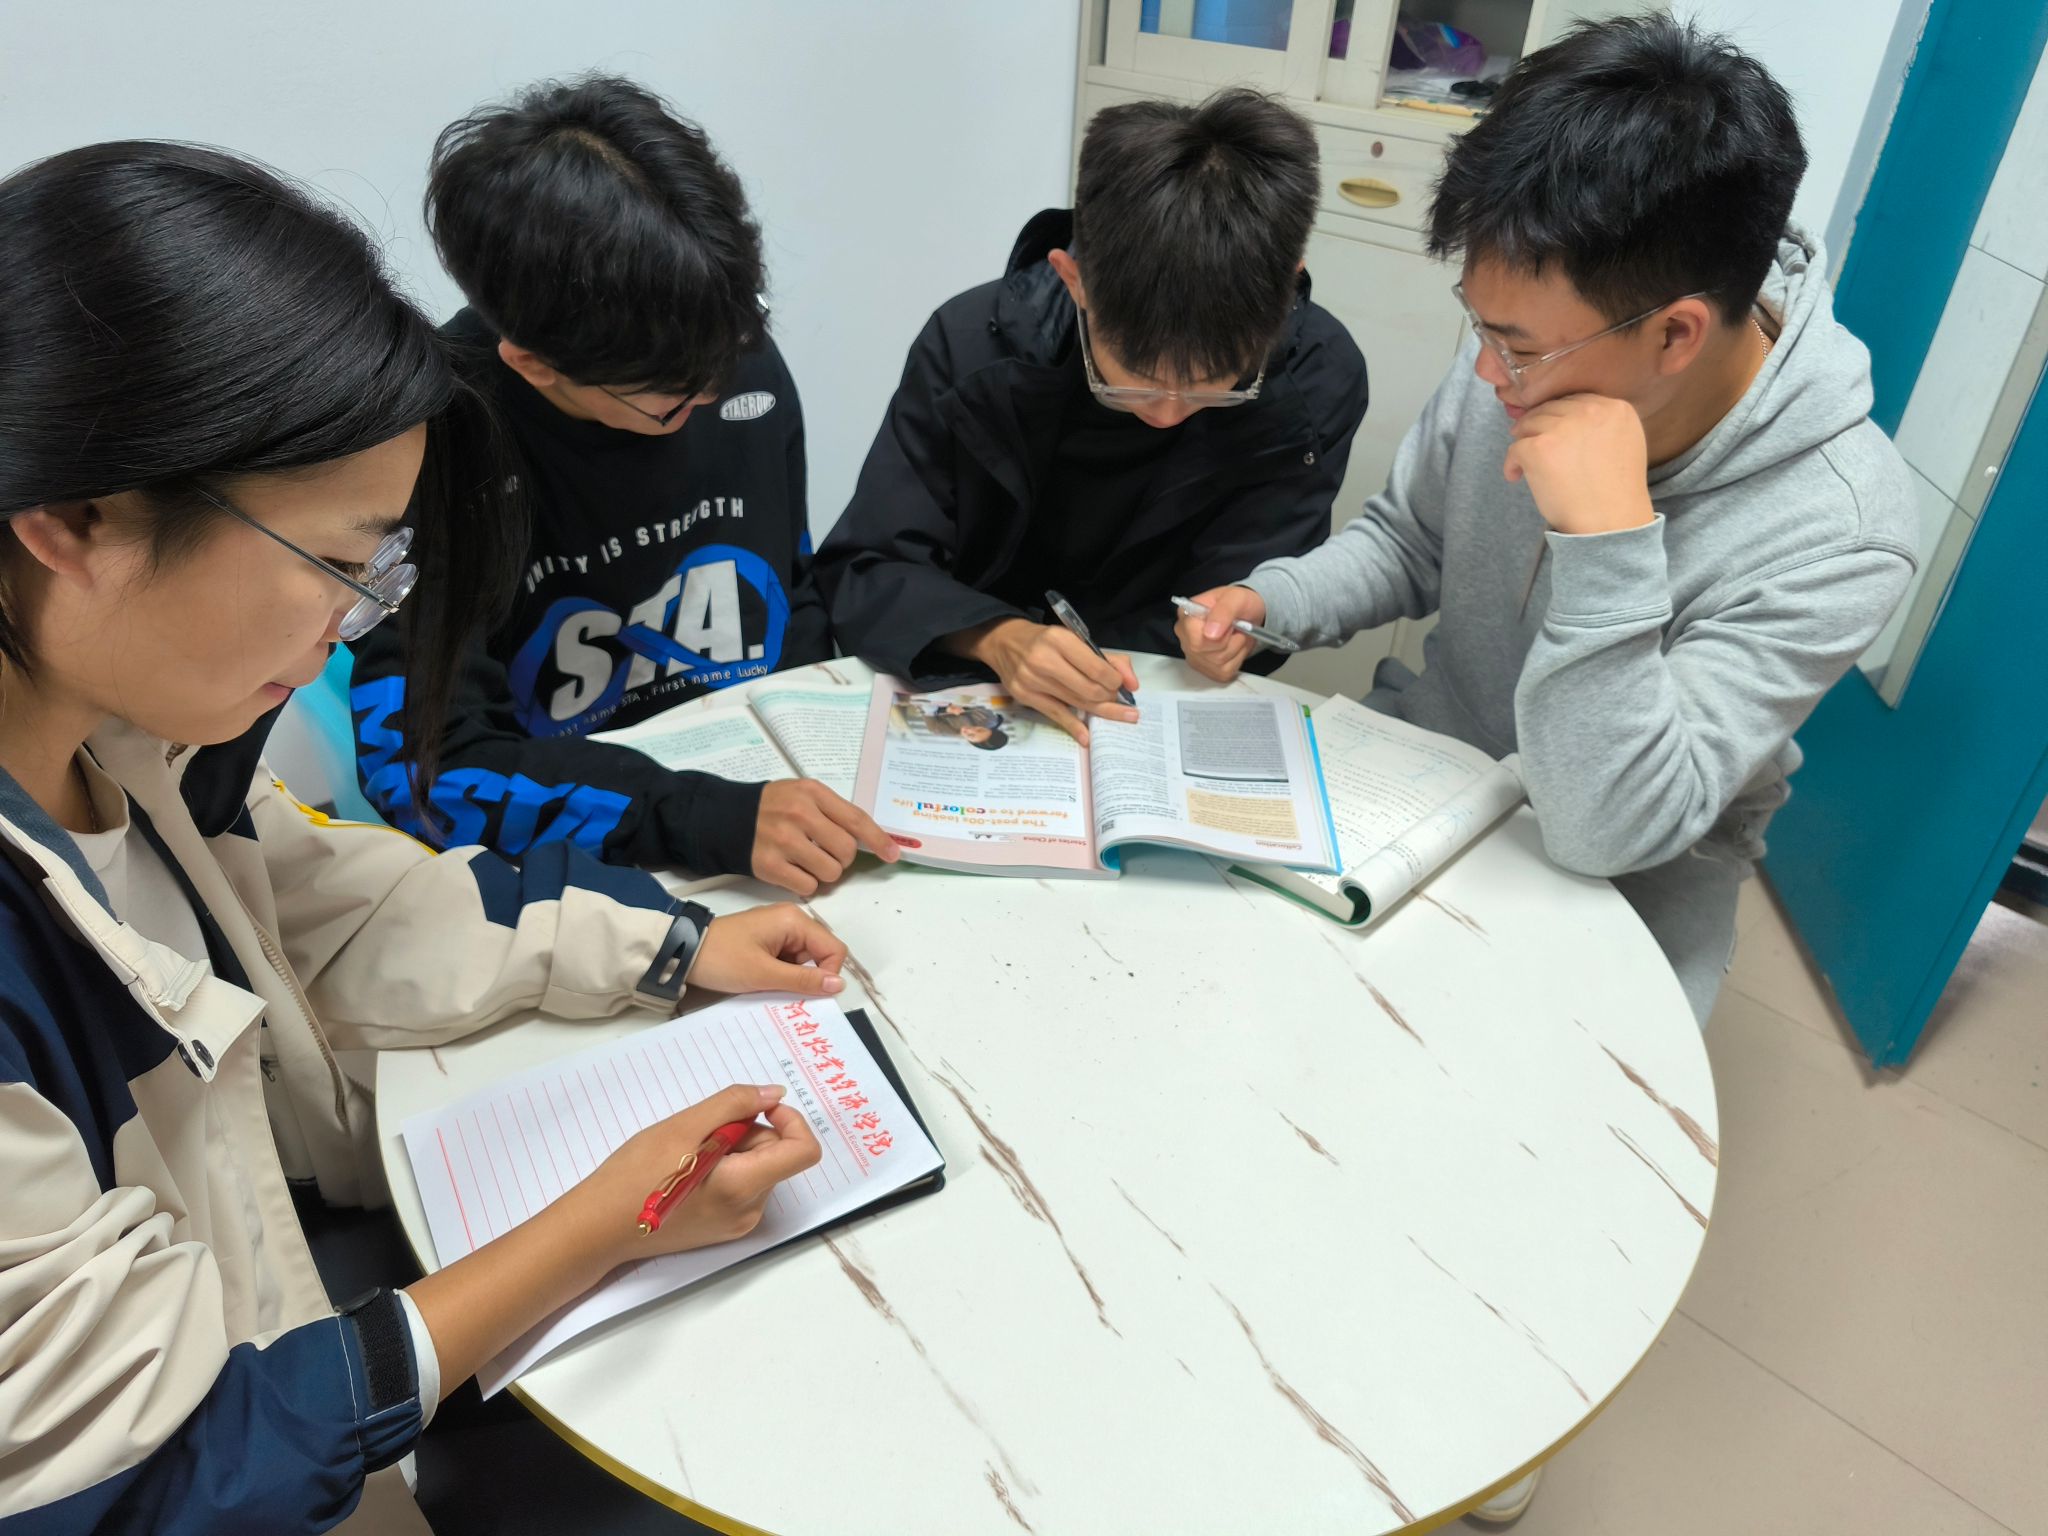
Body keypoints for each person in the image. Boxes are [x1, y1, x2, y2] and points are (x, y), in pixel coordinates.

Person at [0, 141, 847, 1533]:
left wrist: (673, 942)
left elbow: (325, 901)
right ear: (78, 520)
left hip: (287, 1296)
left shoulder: (135, 742)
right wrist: (603, 1224)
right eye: (341, 564)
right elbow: (156, 1479)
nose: (353, 628)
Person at [1180, 31, 1914, 1507]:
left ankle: (1480, 1416)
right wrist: (1280, 601)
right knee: (1244, 1047)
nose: (1485, 373)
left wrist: (1608, 538)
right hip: (1422, 782)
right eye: (1479, 328)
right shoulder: (1524, 360)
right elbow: (1409, 542)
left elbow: (1603, 824)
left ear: (1677, 333)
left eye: (1518, 349)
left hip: (1625, 883)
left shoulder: (1845, 523)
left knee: (1498, 1182)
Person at [349, 75, 896, 896]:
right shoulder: (428, 450)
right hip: (596, 866)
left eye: (732, 354)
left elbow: (791, 597)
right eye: (672, 401)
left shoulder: (729, 357)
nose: (715, 395)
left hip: (775, 810)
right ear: (534, 363)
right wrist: (694, 817)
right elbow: (427, 776)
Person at [814, 88, 1369, 744]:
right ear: (1074, 279)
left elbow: (1259, 588)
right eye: (1133, 384)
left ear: (1284, 291)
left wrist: (1239, 628)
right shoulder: (972, 347)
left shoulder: (1316, 378)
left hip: (1158, 708)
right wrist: (996, 636)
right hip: (976, 688)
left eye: (1213, 388)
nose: (1167, 414)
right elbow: (867, 567)